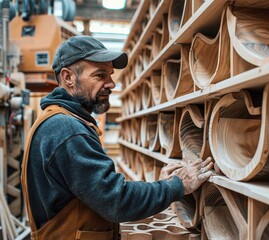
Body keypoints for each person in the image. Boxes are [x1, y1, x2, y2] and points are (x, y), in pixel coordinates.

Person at [21, 35, 213, 239]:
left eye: (110, 75)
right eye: (100, 75)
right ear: (68, 77)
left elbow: (99, 191)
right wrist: (177, 185)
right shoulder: (66, 129)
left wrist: (160, 185)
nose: (111, 84)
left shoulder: (62, 121)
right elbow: (116, 200)